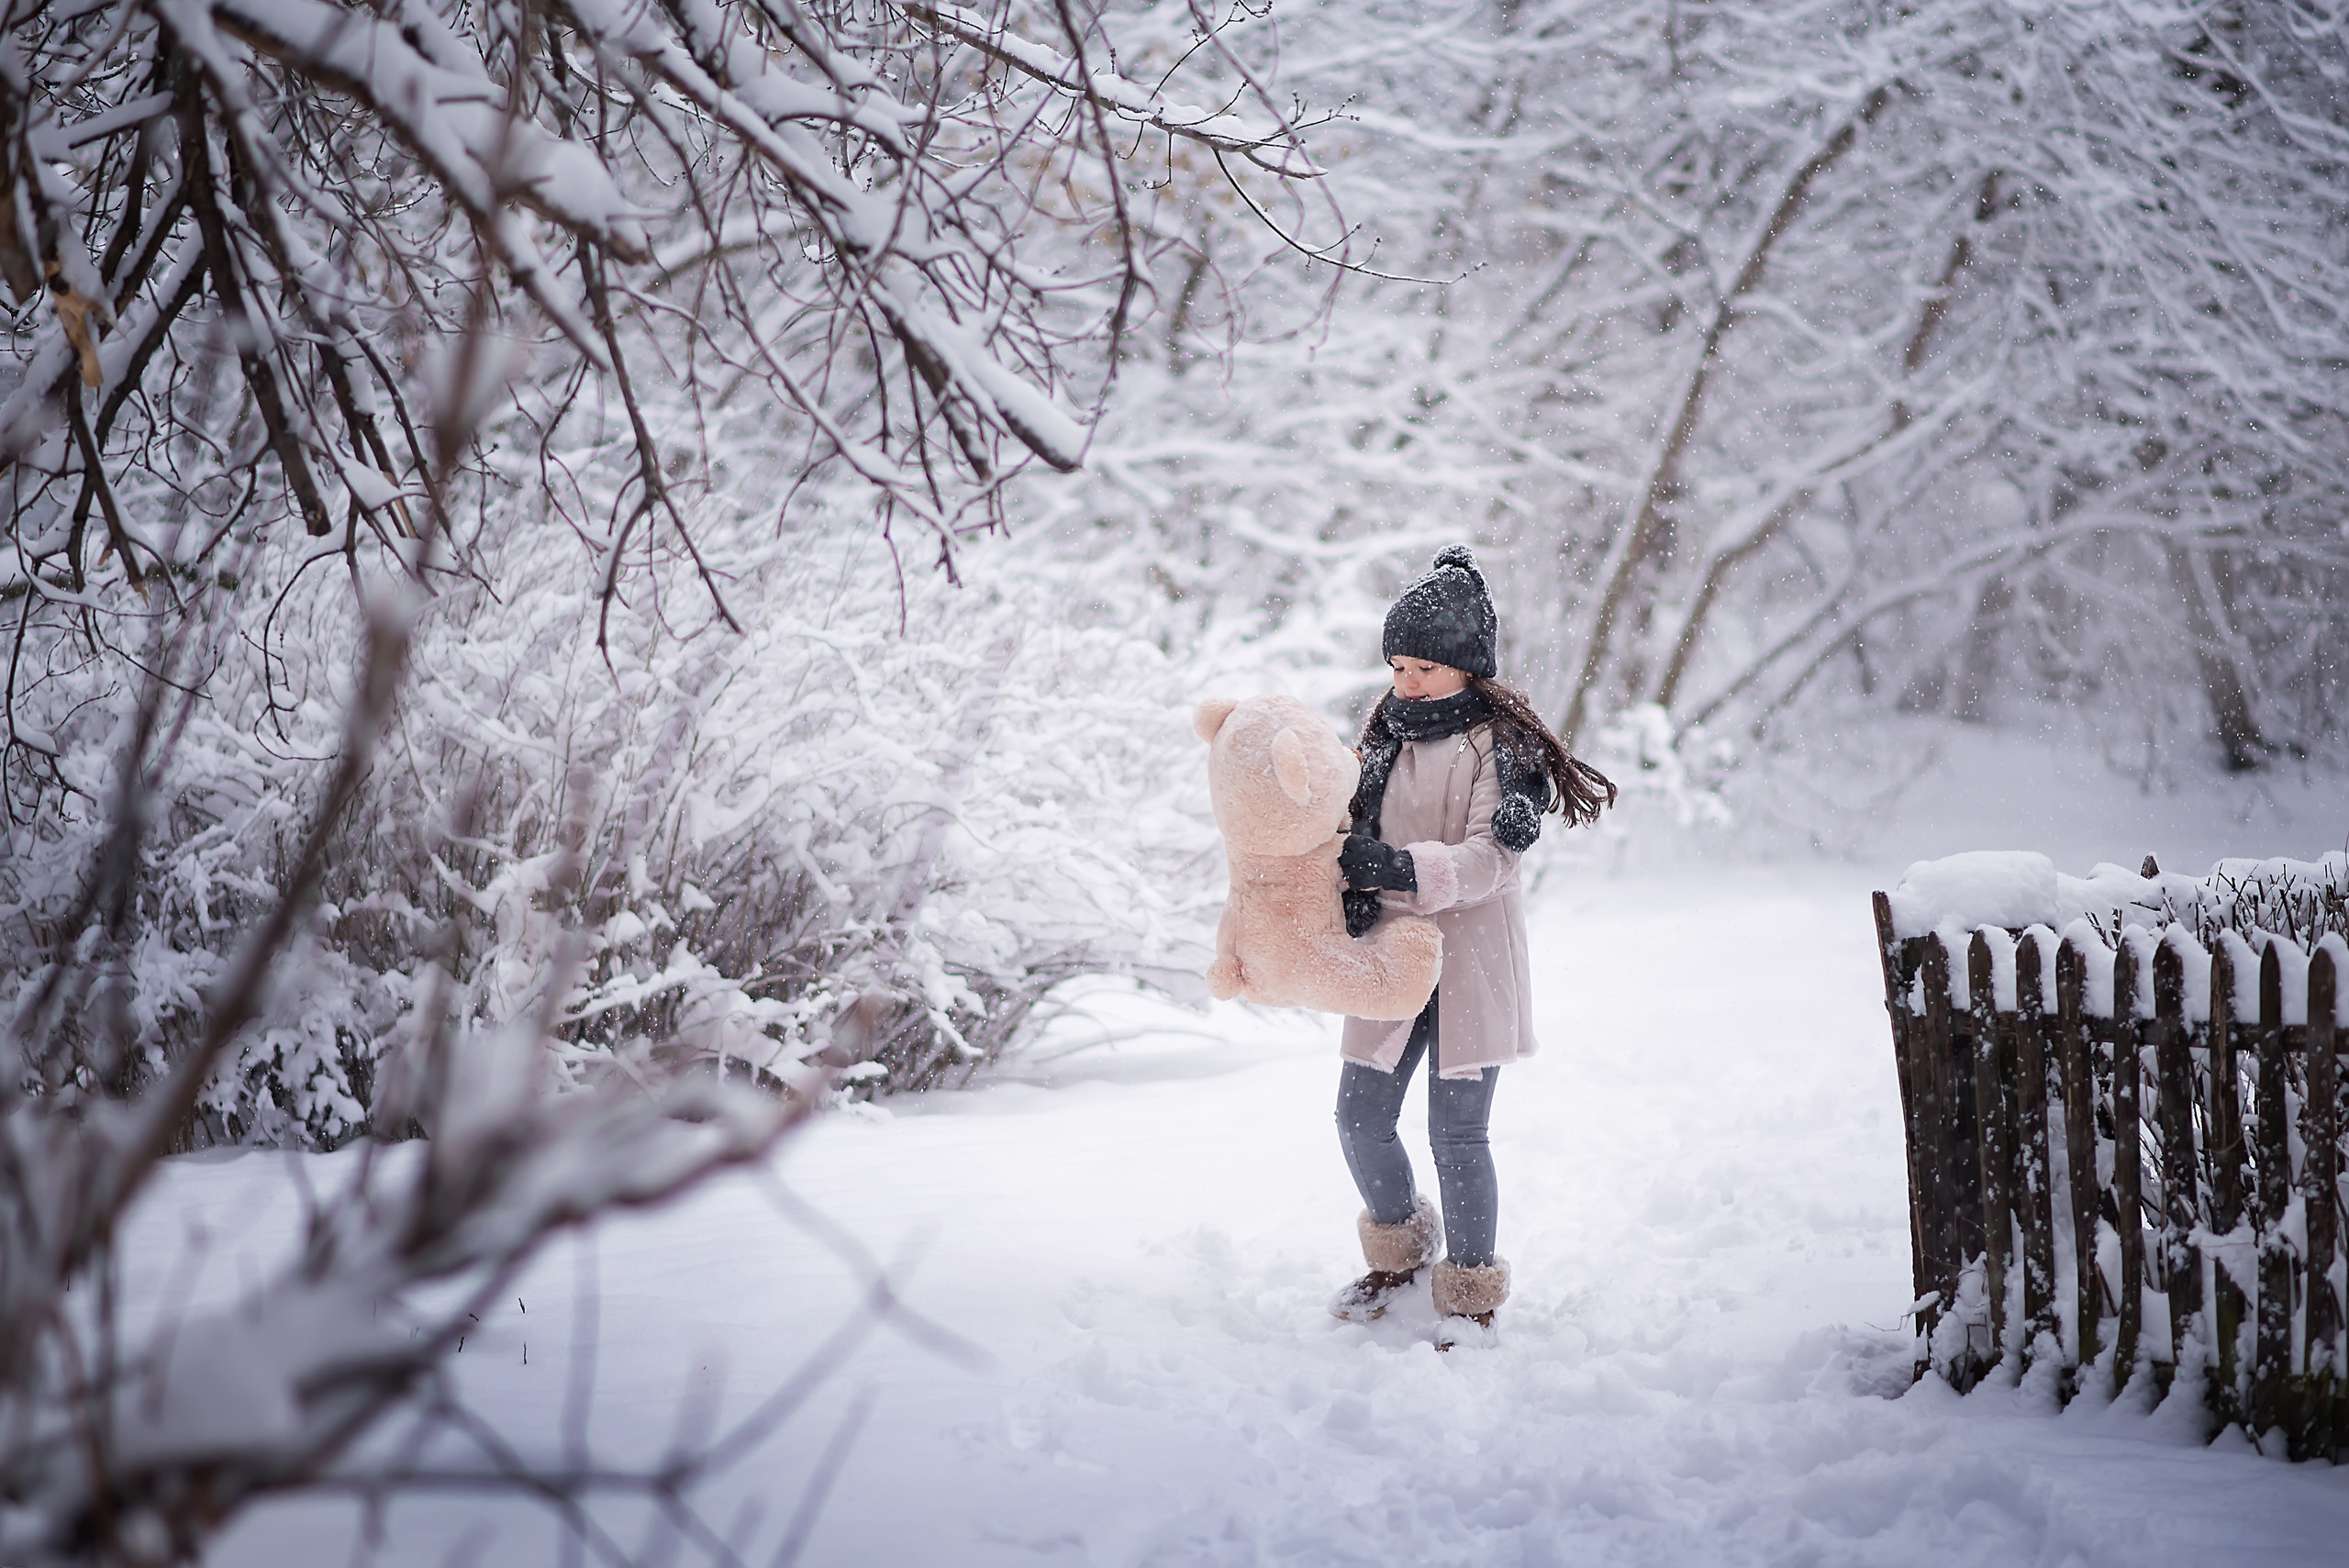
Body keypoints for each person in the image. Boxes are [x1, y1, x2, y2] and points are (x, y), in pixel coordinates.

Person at [1328, 545, 1615, 1348]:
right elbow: (1352, 821)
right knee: (1359, 1116)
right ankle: (1399, 1253)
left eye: (1422, 666)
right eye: (1397, 665)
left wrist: (1393, 867)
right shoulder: (1383, 730)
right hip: (1390, 955)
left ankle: (1471, 1292)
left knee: (1457, 1132)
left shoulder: (1501, 745)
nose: (1405, 682)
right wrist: (1346, 875)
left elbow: (1493, 858)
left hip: (1471, 964)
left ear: (1464, 667)